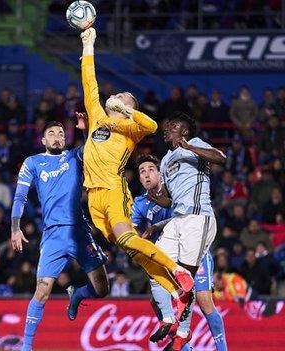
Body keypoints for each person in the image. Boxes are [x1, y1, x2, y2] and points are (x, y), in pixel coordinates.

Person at [79, 27, 194, 312]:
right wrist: (88, 45)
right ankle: (177, 290)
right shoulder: (97, 118)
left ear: (127, 106)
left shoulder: (130, 128)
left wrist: (129, 111)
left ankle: (178, 271)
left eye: (124, 95)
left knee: (128, 237)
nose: (117, 95)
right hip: (93, 197)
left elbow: (153, 126)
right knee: (131, 249)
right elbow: (89, 82)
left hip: (113, 190)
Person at [11, 116, 108, 351]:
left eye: (62, 134)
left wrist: (86, 132)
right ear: (43, 139)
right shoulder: (33, 162)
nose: (58, 137)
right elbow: (20, 196)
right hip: (53, 235)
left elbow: (95, 149)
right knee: (42, 291)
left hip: (79, 231)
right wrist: (15, 227)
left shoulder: (74, 157)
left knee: (102, 290)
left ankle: (77, 295)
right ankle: (27, 347)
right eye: (52, 134)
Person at [149, 111, 227, 349]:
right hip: (177, 221)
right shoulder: (164, 160)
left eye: (172, 125)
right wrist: (154, 195)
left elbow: (221, 157)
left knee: (187, 282)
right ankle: (170, 321)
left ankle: (184, 335)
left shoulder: (194, 144)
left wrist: (189, 147)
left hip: (197, 217)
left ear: (183, 131)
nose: (166, 128)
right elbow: (169, 200)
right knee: (155, 265)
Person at [133, 154, 227, 351]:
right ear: (140, 179)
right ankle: (183, 346)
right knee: (157, 301)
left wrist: (156, 227)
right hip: (168, 258)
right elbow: (135, 234)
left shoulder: (176, 190)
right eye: (142, 172)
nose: (147, 174)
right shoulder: (140, 204)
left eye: (151, 169)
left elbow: (188, 216)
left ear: (160, 174)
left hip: (194, 251)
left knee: (203, 300)